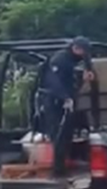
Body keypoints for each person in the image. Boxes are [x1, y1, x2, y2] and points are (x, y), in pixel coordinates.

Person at [38, 36, 95, 176]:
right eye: (83, 51)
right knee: (58, 135)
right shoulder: (60, 59)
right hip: (54, 101)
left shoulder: (77, 60)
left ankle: (65, 164)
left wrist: (86, 75)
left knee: (68, 133)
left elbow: (74, 80)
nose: (84, 55)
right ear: (76, 48)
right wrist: (65, 97)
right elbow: (53, 82)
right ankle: (57, 170)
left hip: (67, 101)